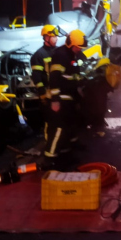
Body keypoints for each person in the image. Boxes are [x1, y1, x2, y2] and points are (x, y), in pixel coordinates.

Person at [44, 29, 88, 166]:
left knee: (68, 127)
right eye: (77, 47)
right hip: (60, 98)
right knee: (59, 128)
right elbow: (54, 78)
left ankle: (65, 155)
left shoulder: (71, 56)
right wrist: (55, 100)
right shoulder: (61, 55)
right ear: (70, 44)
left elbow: (73, 75)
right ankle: (50, 159)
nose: (79, 50)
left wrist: (79, 88)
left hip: (68, 97)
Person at [30, 25, 59, 139]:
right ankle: (49, 144)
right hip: (47, 93)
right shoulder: (38, 55)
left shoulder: (58, 52)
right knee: (50, 121)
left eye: (56, 36)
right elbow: (36, 77)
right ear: (46, 37)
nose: (56, 38)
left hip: (57, 92)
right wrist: (42, 93)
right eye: (53, 36)